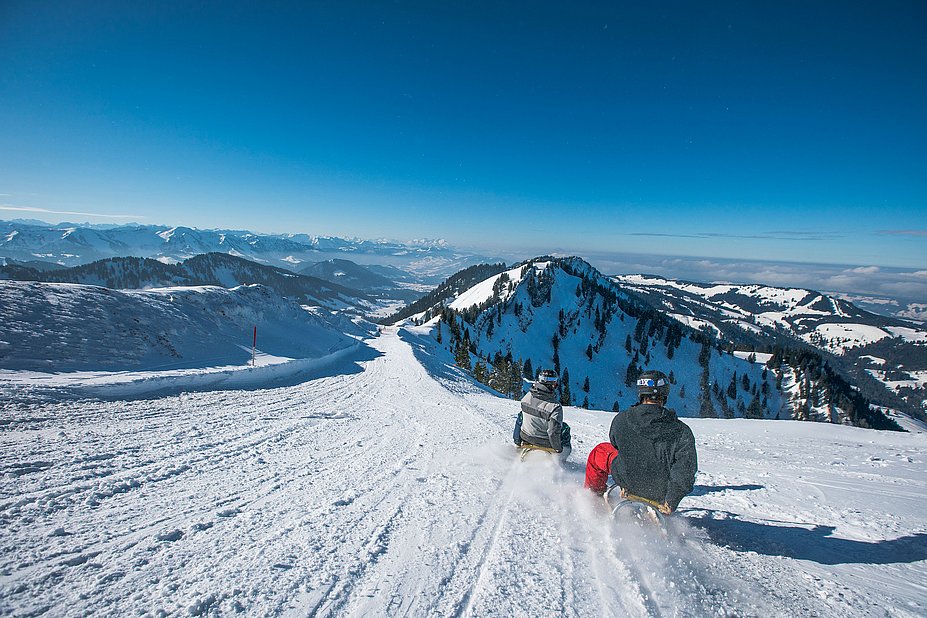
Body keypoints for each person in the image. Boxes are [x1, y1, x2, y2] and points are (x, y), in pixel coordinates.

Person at [584, 370, 697, 515]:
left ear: (641, 393)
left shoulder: (622, 419)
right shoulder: (681, 430)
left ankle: (594, 496)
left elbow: (615, 443)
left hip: (627, 480)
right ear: (665, 395)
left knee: (601, 451)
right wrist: (671, 501)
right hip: (660, 490)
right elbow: (686, 471)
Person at [513, 369, 572, 459]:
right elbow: (553, 431)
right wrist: (557, 448)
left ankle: (517, 443)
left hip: (526, 437)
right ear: (552, 385)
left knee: (521, 415)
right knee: (565, 427)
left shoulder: (527, 397)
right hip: (545, 441)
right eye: (555, 383)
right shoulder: (555, 406)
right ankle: (561, 457)